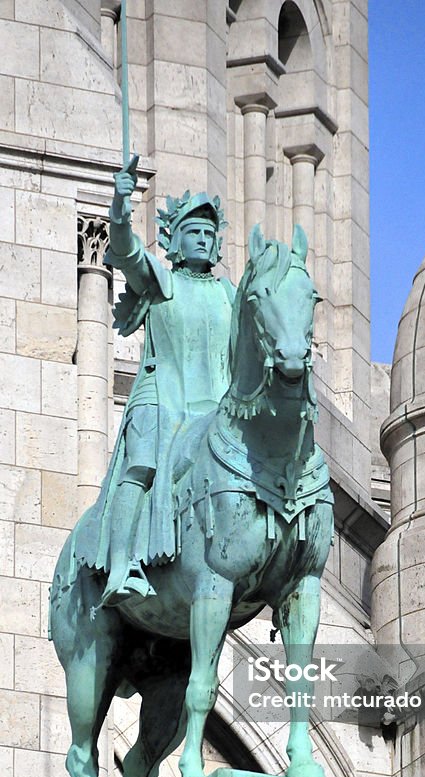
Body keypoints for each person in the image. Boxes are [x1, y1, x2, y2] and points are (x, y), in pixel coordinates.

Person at [76, 156, 235, 606]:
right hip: (162, 397)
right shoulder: (161, 281)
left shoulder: (227, 293)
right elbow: (125, 252)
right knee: (141, 468)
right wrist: (121, 206)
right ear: (176, 242)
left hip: (214, 405)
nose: (203, 240)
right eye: (193, 233)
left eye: (209, 234)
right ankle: (122, 565)